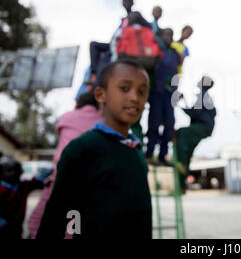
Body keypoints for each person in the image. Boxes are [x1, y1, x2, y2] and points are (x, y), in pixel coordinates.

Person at [36, 59, 152, 239]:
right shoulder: (83, 148)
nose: (135, 98)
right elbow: (56, 218)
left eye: (142, 92)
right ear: (100, 95)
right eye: (124, 88)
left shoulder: (136, 150)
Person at [27, 92, 103, 239]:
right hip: (86, 184)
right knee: (73, 225)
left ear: (77, 105)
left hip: (59, 178)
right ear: (98, 105)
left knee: (37, 221)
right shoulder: (101, 122)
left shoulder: (68, 117)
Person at [146, 28, 181, 165]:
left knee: (170, 123)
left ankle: (163, 156)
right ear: (161, 36)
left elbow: (177, 74)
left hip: (170, 93)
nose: (170, 37)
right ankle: (149, 154)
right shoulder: (155, 50)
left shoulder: (175, 54)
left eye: (172, 35)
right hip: (156, 92)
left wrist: (176, 91)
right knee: (154, 123)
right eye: (167, 35)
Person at [175, 76, 216, 191]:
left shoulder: (203, 96)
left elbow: (193, 113)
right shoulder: (205, 97)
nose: (197, 81)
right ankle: (182, 184)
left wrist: (180, 103)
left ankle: (181, 165)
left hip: (202, 127)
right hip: (204, 128)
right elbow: (195, 111)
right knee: (188, 151)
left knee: (181, 134)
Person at [0, 156, 52, 239]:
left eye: (16, 170)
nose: (13, 173)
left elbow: (40, 178)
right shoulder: (1, 190)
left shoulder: (23, 185)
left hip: (16, 231)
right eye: (9, 170)